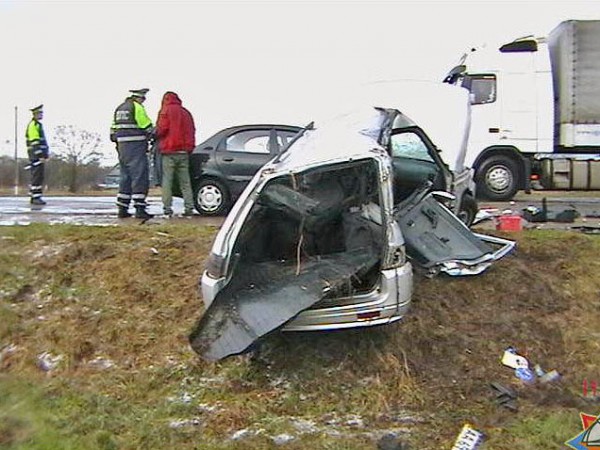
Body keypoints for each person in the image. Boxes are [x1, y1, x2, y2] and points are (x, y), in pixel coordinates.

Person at [110, 88, 154, 219]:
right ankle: (140, 208)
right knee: (139, 176)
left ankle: (122, 208)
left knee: (125, 177)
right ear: (140, 97)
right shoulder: (137, 108)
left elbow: (112, 133)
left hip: (122, 148)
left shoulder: (119, 109)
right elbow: (147, 127)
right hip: (136, 146)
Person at [156, 91, 196, 217]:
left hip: (169, 151)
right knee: (185, 182)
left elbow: (161, 129)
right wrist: (190, 147)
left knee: (167, 181)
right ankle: (189, 207)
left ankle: (167, 208)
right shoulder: (186, 113)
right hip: (184, 152)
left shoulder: (165, 111)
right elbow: (192, 131)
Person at [25, 104, 49, 205]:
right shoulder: (33, 125)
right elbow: (35, 142)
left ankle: (35, 195)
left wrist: (46, 154)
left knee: (39, 175)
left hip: (39, 154)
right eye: (40, 113)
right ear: (35, 114)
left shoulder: (38, 125)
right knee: (37, 176)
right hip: (35, 155)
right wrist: (40, 155)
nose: (41, 115)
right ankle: (35, 197)